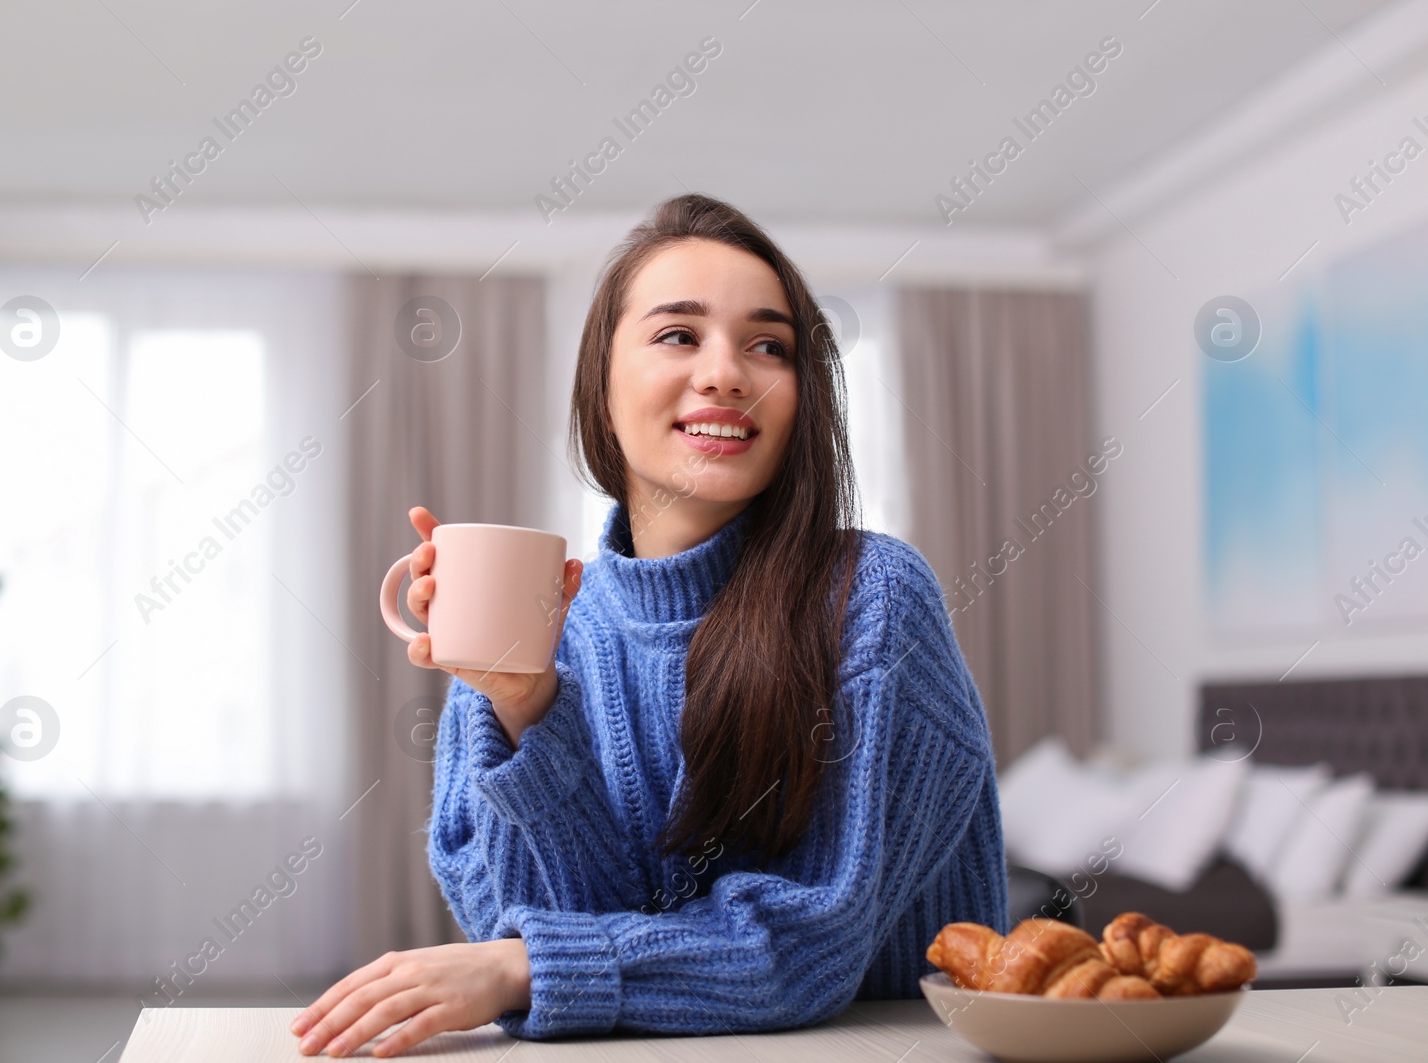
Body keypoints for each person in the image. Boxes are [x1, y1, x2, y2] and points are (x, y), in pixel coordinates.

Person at [292, 194, 1007, 1058]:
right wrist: (524, 705)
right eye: (679, 335)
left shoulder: (873, 598)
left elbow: (809, 948)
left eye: (768, 345)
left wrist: (522, 968)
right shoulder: (539, 624)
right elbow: (530, 927)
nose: (727, 373)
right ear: (600, 380)